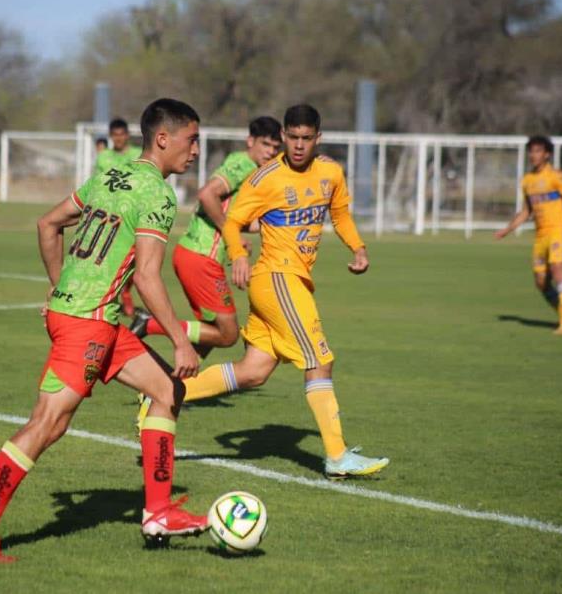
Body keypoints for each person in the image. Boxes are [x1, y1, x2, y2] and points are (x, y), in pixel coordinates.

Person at [0, 99, 207, 563]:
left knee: (167, 390)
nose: (195, 151)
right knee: (48, 423)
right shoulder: (159, 196)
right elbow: (148, 278)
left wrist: (58, 288)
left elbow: (48, 224)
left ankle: (159, 511)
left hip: (88, 316)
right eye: (191, 140)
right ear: (163, 139)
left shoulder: (109, 177)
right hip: (89, 323)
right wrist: (181, 338)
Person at [138, 104, 389, 479]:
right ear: (284, 136)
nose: (299, 145)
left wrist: (358, 247)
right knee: (320, 360)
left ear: (318, 138)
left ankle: (163, 393)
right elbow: (235, 221)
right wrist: (238, 255)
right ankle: (337, 456)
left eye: (307, 138)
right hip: (276, 278)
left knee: (253, 372)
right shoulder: (265, 177)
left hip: (294, 280)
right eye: (292, 138)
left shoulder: (331, 173)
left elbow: (340, 215)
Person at [130, 117, 282, 357]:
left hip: (197, 255)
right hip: (201, 256)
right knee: (228, 334)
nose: (271, 152)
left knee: (213, 331)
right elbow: (207, 194)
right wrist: (229, 233)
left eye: (275, 147)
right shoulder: (242, 165)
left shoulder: (251, 170)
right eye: (266, 144)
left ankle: (173, 387)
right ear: (250, 141)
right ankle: (149, 323)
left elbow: (234, 216)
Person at [495, 135, 562, 335]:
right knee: (541, 282)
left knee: (558, 271)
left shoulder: (556, 176)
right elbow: (526, 211)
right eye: (531, 151)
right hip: (540, 236)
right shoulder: (527, 180)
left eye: (538, 151)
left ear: (547, 154)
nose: (533, 155)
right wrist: (507, 230)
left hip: (558, 231)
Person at [94, 118, 143, 316]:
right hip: (109, 217)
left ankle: (126, 289)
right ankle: (108, 298)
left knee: (138, 258)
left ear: (127, 135)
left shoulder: (137, 154)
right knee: (106, 257)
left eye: (122, 134)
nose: (119, 138)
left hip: (131, 215)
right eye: (115, 135)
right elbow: (101, 183)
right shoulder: (103, 157)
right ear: (111, 136)